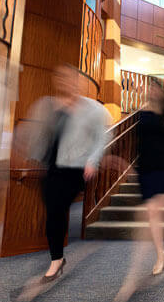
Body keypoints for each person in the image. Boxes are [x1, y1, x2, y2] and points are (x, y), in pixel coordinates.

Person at [25, 64, 110, 282]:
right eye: (61, 78)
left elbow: (102, 137)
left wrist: (93, 160)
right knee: (53, 212)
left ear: (78, 82)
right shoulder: (48, 105)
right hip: (50, 166)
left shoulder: (93, 109)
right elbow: (38, 134)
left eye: (70, 79)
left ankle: (55, 261)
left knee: (57, 208)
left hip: (75, 168)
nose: (66, 82)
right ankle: (57, 258)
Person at [113, 77, 164, 302]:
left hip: (163, 170)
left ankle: (135, 274)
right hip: (145, 171)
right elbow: (137, 145)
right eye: (149, 88)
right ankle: (160, 253)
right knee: (152, 216)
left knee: (151, 215)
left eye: (155, 87)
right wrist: (131, 167)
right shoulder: (141, 114)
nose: (151, 91)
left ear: (161, 91)